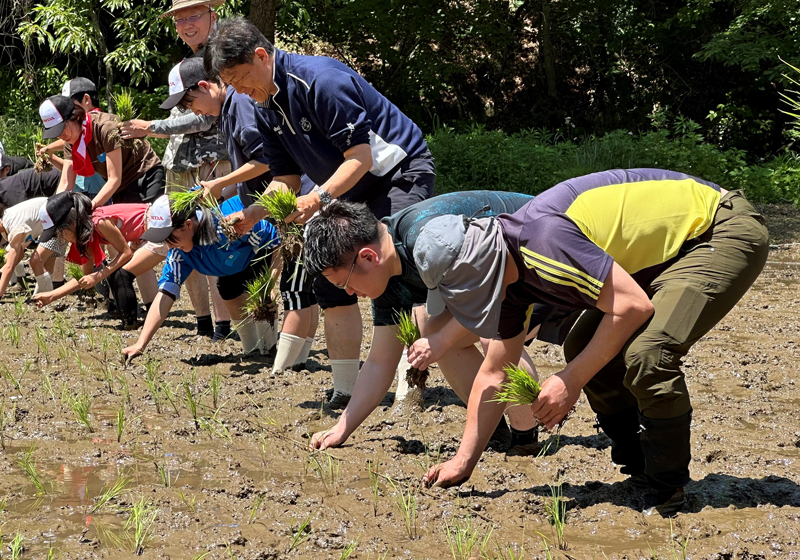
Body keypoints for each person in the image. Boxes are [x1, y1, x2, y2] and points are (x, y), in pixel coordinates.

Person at [414, 169, 768, 517]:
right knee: (584, 344)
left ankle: (667, 490)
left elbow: (632, 307)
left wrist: (570, 379)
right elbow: (494, 374)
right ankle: (640, 469)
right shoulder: (509, 286)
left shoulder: (543, 241)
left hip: (716, 229)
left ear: (483, 267)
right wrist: (462, 461)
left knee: (648, 353)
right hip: (664, 255)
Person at [204, 18, 436, 406]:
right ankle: (346, 389)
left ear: (262, 56)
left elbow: (360, 158)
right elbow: (287, 180)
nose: (240, 91)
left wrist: (318, 200)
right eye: (232, 85)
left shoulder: (322, 81)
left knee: (397, 270)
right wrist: (255, 212)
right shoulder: (263, 106)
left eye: (241, 79)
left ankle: (411, 387)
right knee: (329, 276)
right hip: (344, 187)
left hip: (396, 173)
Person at [303, 193, 578, 453]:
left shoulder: (425, 238)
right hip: (502, 284)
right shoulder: (385, 274)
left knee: (485, 332)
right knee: (435, 330)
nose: (350, 293)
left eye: (345, 283)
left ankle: (525, 437)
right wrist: (342, 428)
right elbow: (379, 362)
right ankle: (491, 430)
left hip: (548, 252)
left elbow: (488, 299)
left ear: (368, 257)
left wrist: (441, 340)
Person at [160, 55, 319, 367]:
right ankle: (281, 358)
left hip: (286, 203)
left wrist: (221, 182)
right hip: (265, 207)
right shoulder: (228, 110)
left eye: (191, 103)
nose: (193, 111)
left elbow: (268, 161)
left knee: (295, 287)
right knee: (282, 287)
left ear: (204, 86)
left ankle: (290, 366)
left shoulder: (240, 106)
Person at [120, 0, 231, 341]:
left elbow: (206, 116)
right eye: (180, 19)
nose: (186, 24)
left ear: (213, 14)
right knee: (179, 242)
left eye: (193, 15)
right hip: (178, 166)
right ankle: (202, 321)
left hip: (212, 166)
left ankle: (225, 325)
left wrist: (150, 127)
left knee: (215, 238)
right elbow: (177, 119)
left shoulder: (226, 58)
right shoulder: (184, 66)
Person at [121, 194, 280, 359]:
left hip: (258, 250)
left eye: (169, 237)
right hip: (230, 265)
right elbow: (165, 294)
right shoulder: (179, 253)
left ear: (188, 225)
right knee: (228, 289)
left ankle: (270, 349)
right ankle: (252, 351)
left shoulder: (228, 225)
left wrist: (269, 283)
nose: (168, 245)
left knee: (262, 297)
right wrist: (141, 344)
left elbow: (274, 239)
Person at [31, 192, 161, 328]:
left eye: (58, 233)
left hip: (157, 225)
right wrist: (51, 296)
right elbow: (85, 276)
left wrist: (99, 275)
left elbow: (126, 253)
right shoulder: (86, 235)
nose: (61, 239)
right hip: (141, 237)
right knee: (114, 271)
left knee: (119, 273)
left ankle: (131, 324)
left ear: (72, 224)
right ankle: (134, 322)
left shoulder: (99, 222)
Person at [37, 95, 164, 207]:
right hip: (121, 187)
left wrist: (89, 207)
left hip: (145, 174)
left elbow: (114, 179)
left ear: (75, 117)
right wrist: (54, 208)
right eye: (56, 133)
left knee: (143, 224)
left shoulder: (104, 128)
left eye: (62, 129)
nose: (61, 136)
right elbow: (66, 183)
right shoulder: (70, 143)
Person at [39, 77, 119, 199]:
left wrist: (50, 148)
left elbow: (114, 178)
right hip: (84, 188)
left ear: (86, 99)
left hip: (102, 190)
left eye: (70, 103)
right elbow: (69, 173)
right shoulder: (73, 139)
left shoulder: (103, 127)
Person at [0, 197, 66, 298]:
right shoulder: (6, 219)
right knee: (44, 263)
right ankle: (43, 299)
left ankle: (45, 299)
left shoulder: (13, 224)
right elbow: (20, 253)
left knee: (36, 260)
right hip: (50, 224)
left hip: (60, 220)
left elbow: (10, 266)